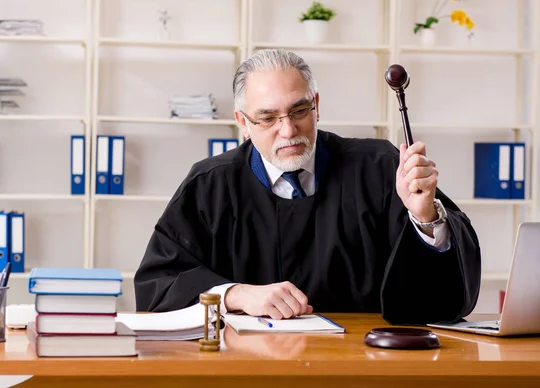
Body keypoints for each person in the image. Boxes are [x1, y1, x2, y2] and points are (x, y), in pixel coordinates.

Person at [134, 49, 481, 325]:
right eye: (268, 118)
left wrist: (424, 218)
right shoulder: (209, 186)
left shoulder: (381, 168)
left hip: (364, 366)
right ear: (243, 122)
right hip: (245, 368)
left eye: (299, 110)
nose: (288, 131)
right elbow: (158, 286)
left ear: (317, 107)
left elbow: (442, 301)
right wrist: (236, 295)